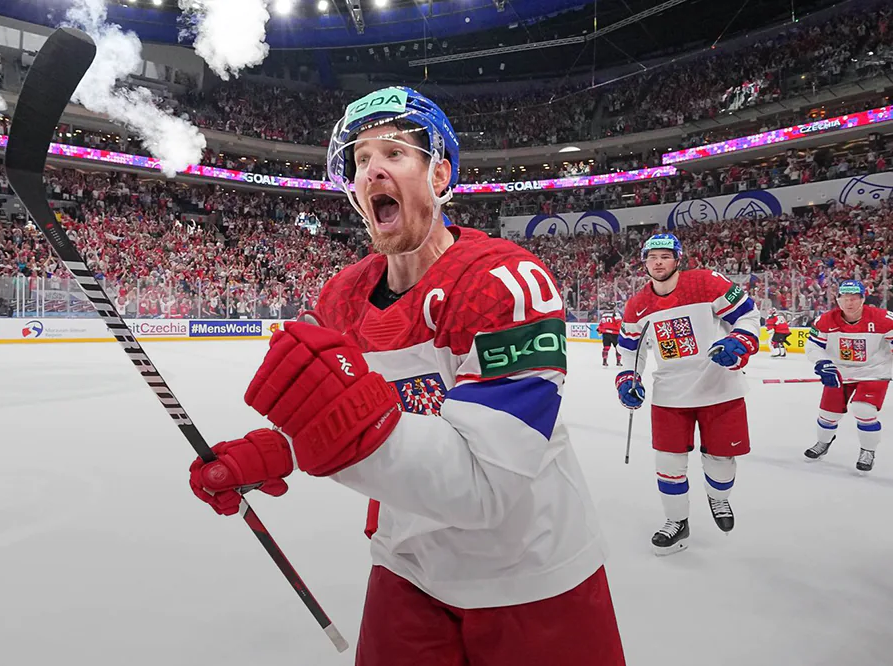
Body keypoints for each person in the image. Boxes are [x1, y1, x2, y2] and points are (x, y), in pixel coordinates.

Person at [187, 87, 625, 665]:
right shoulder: (341, 297)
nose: (372, 170)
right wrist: (274, 449)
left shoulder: (504, 280)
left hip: (532, 571)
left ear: (439, 175)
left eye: (393, 153)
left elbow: (487, 486)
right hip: (407, 564)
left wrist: (338, 433)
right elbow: (336, 415)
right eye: (361, 159)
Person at [616, 234, 760, 555]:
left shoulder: (707, 282)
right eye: (652, 257)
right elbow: (630, 350)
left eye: (665, 256)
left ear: (678, 259)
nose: (658, 262)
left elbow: (748, 315)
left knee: (721, 462)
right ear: (644, 262)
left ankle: (718, 497)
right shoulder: (637, 305)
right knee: (668, 463)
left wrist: (739, 340)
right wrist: (628, 377)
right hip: (670, 396)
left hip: (720, 389)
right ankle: (677, 522)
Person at [804, 280, 893, 472]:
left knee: (864, 410)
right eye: (844, 299)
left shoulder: (883, 319)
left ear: (863, 299)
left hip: (873, 372)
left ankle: (868, 451)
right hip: (840, 372)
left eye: (853, 298)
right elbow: (813, 346)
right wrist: (822, 363)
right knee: (828, 414)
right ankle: (823, 442)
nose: (849, 303)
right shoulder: (825, 320)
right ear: (838, 300)